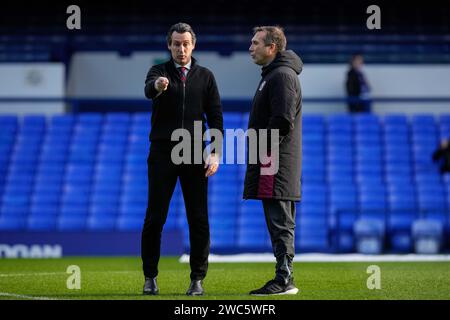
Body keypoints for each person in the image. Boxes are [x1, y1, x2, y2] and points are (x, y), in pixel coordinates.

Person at [141, 22, 223, 296]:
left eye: (185, 43)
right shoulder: (159, 72)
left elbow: (216, 117)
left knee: (198, 219)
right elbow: (148, 90)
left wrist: (215, 152)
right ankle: (150, 277)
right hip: (162, 151)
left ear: (193, 45)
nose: (181, 48)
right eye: (176, 43)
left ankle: (197, 279)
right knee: (155, 218)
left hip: (193, 152)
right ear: (169, 45)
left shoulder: (206, 76)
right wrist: (157, 85)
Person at [244, 26, 302, 295]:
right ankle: (283, 276)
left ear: (272, 47)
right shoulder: (272, 74)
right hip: (272, 161)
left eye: (256, 43)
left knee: (280, 221)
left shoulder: (281, 76)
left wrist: (265, 153)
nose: (250, 47)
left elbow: (282, 121)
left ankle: (284, 279)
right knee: (277, 220)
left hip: (274, 162)